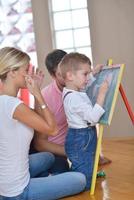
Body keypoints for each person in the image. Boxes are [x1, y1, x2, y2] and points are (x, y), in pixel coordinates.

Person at [0, 47, 86, 200]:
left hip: (6, 180)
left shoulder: (8, 102)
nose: (29, 74)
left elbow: (39, 120)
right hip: (17, 192)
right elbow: (52, 129)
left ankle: (46, 178)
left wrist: (36, 92)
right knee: (80, 179)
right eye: (25, 69)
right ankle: (44, 181)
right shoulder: (13, 105)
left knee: (48, 157)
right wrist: (38, 95)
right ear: (12, 72)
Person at [33, 49, 111, 171]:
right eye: (61, 74)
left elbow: (88, 120)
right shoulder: (45, 97)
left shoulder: (78, 86)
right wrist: (74, 152)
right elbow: (39, 143)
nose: (67, 78)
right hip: (61, 150)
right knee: (67, 175)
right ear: (53, 76)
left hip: (80, 145)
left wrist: (91, 74)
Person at [59, 52, 110, 190]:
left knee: (89, 161)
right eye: (85, 74)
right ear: (70, 76)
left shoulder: (73, 90)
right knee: (84, 179)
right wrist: (102, 94)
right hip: (80, 138)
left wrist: (93, 73)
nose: (87, 78)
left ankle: (89, 174)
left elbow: (85, 86)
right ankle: (74, 183)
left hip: (84, 135)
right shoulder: (73, 98)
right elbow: (94, 117)